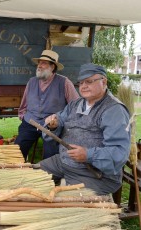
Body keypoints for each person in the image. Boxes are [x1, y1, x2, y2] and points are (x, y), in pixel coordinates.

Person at [33, 63, 131, 195]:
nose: (84, 86)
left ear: (104, 81)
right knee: (30, 176)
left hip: (93, 173)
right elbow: (60, 119)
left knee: (67, 203)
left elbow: (119, 152)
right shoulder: (76, 104)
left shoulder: (114, 110)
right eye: (81, 83)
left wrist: (88, 155)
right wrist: (54, 124)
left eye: (89, 81)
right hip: (64, 162)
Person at [15, 50, 79, 161]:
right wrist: (23, 117)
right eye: (39, 63)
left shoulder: (64, 82)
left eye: (44, 63)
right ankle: (16, 171)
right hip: (30, 122)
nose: (39, 66)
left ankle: (49, 175)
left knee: (51, 154)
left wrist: (60, 120)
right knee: (18, 149)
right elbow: (23, 105)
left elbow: (76, 107)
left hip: (52, 126)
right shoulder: (31, 82)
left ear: (52, 67)